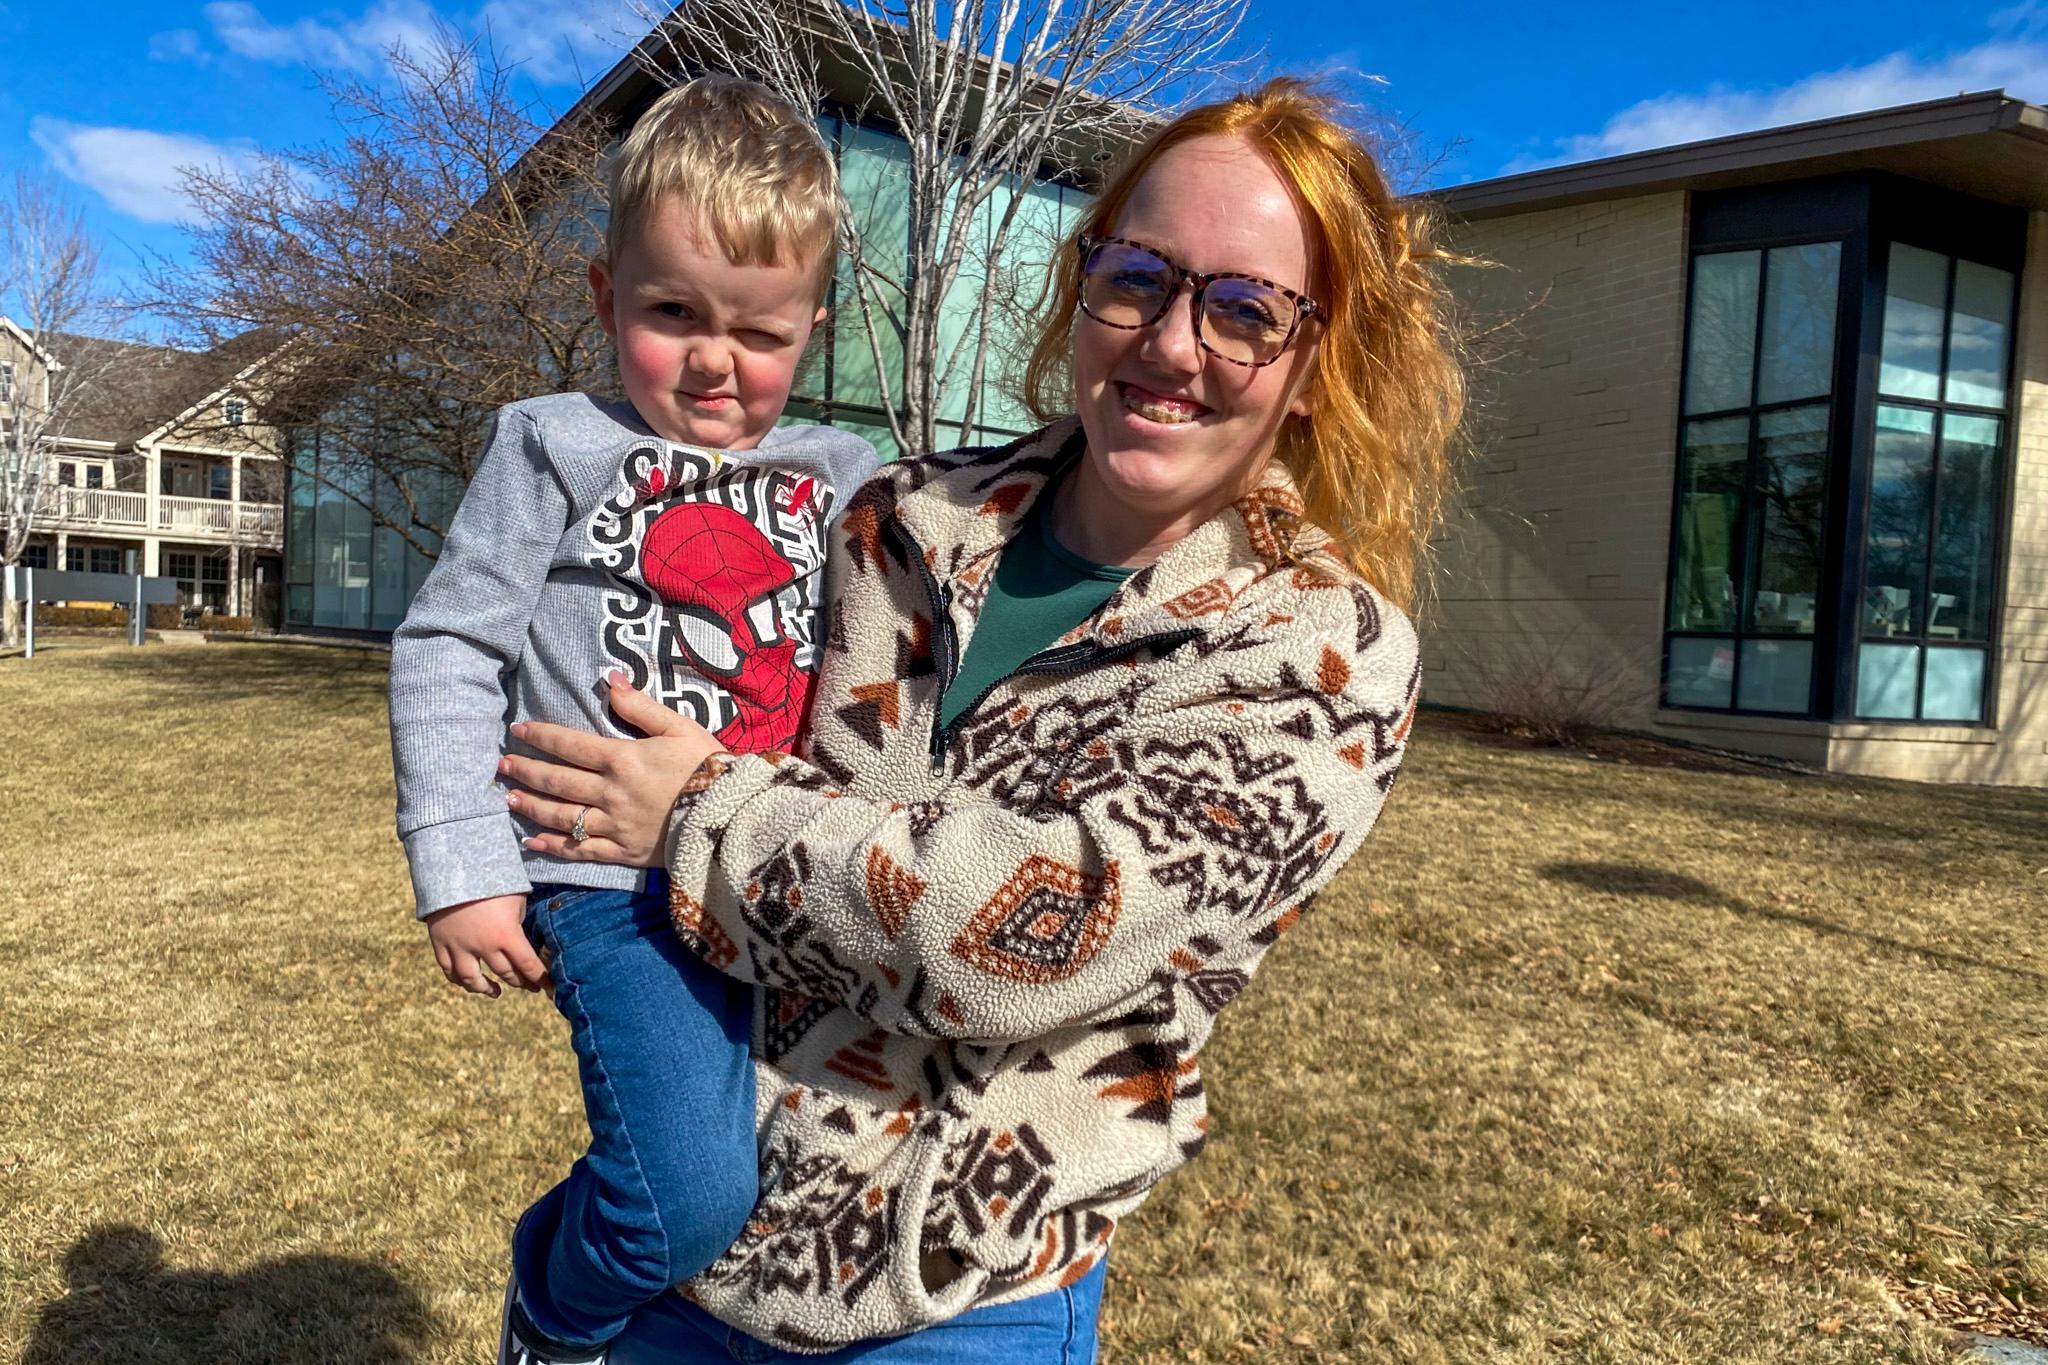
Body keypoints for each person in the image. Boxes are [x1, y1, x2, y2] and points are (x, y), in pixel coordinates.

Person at [498, 77, 1464, 1360]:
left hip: (948, 1296)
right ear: (1082, 286)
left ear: (1311, 366)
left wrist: (691, 812)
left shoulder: (1318, 653)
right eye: (1137, 279)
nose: (1171, 345)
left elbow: (1038, 934)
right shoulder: (887, 517)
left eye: (1243, 311)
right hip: (691, 1253)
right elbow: (642, 657)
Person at [386, 76, 878, 1365]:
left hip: (772, 882)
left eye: (760, 334)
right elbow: (447, 644)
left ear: (810, 332)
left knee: (772, 1173)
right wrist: (464, 869)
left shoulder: (839, 478)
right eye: (673, 315)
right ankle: (555, 1313)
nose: (716, 360)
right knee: (690, 1197)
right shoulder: (550, 446)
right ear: (606, 298)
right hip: (605, 883)